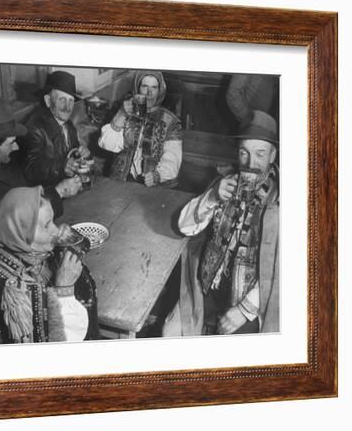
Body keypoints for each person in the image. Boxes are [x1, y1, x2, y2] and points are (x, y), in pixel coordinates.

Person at [165, 110, 279, 336]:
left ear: (273, 155)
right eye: (244, 152)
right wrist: (213, 196)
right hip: (210, 286)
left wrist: (245, 310)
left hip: (253, 299)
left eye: (260, 153)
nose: (251, 163)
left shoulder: (281, 199)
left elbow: (290, 268)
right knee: (170, 332)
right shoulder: (226, 182)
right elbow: (184, 226)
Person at [0, 186, 100, 345]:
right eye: (46, 225)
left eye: (53, 221)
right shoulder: (13, 289)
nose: (55, 230)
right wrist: (64, 289)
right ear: (21, 234)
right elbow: (51, 351)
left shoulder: (30, 253)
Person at [0, 95, 81, 225]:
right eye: (11, 142)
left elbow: (29, 179)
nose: (16, 147)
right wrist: (58, 192)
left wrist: (62, 168)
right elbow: (9, 224)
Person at [98, 71, 182, 186]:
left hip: (152, 186)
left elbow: (172, 161)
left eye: (154, 87)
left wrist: (156, 176)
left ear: (160, 91)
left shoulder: (170, 122)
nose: (149, 93)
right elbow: (106, 144)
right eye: (145, 87)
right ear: (137, 89)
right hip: (121, 181)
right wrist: (121, 114)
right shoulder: (125, 111)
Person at [19, 70, 93, 186]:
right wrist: (62, 166)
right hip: (46, 194)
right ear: (48, 101)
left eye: (71, 101)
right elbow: (31, 168)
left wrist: (83, 154)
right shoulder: (34, 127)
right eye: (62, 100)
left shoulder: (68, 125)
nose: (67, 107)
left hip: (68, 187)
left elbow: (72, 154)